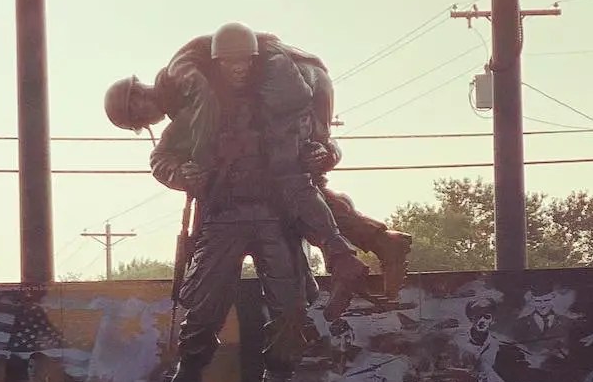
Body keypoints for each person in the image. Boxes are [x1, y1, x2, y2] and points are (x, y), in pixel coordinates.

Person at [112, 22, 388, 382]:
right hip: (223, 218)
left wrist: (323, 153)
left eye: (244, 63)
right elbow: (162, 157)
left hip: (276, 219)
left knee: (290, 311)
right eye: (229, 64)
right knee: (202, 317)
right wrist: (182, 174)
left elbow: (323, 144)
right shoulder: (195, 111)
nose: (237, 72)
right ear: (219, 65)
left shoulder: (278, 103)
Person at [105, 28, 411, 299]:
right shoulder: (179, 97)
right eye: (138, 121)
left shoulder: (178, 73)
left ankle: (350, 257)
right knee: (307, 176)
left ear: (137, 99)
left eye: (138, 114)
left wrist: (204, 162)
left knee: (289, 177)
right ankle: (375, 245)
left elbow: (209, 105)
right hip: (306, 77)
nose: (145, 119)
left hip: (294, 77)